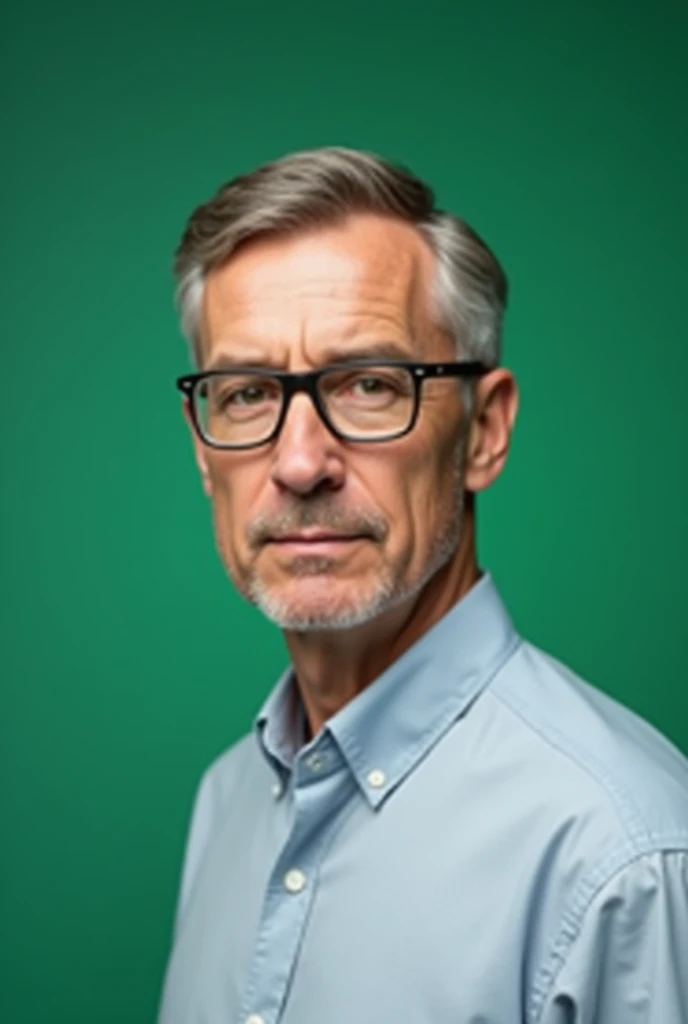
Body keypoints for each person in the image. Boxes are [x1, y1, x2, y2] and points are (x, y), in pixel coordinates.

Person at [158, 147, 688, 1024]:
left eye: (369, 384)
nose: (298, 463)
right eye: (248, 394)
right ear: (202, 446)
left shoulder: (625, 859)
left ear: (483, 431)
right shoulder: (227, 801)